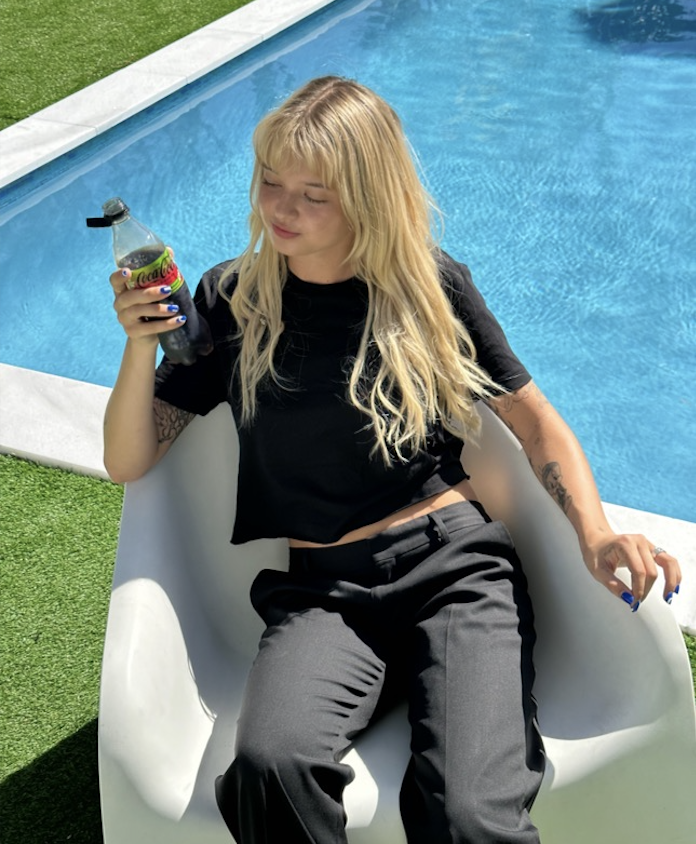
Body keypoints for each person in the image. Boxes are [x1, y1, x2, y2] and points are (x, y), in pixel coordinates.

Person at [104, 76, 681, 844]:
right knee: (270, 768)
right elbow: (127, 459)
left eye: (313, 193)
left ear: (366, 196)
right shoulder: (231, 300)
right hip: (325, 594)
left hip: (456, 571)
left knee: (470, 812)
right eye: (271, 181)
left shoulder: (430, 288)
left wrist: (596, 534)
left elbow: (535, 420)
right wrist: (139, 346)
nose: (281, 208)